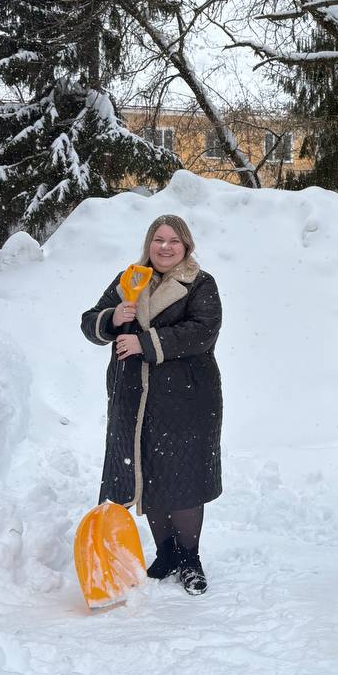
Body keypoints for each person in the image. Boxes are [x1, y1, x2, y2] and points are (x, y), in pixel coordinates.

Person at [80, 214, 223, 595]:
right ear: (149, 244)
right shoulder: (129, 280)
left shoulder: (200, 283)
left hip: (187, 399)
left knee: (183, 477)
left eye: (174, 241)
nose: (165, 247)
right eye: (158, 240)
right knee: (149, 474)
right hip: (134, 398)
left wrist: (144, 343)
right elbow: (89, 322)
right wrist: (113, 317)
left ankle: (190, 558)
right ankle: (166, 553)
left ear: (186, 246)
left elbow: (203, 331)